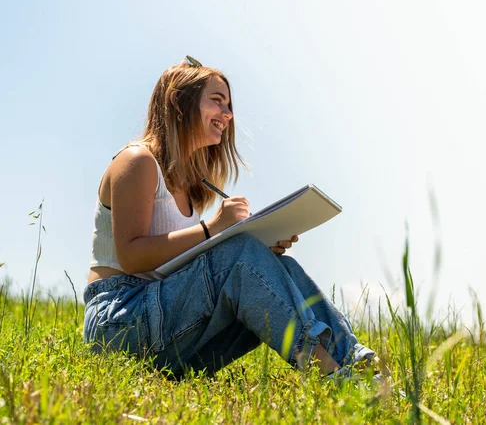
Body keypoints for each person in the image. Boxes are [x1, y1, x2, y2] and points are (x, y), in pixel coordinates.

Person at [83, 56, 385, 381]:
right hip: (117, 319)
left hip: (161, 320)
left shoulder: (190, 187)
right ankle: (334, 377)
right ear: (178, 102)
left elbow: (180, 268)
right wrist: (213, 230)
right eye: (217, 101)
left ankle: (357, 363)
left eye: (229, 105)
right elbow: (132, 256)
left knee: (280, 268)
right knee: (240, 255)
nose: (228, 114)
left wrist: (261, 256)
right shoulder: (138, 161)